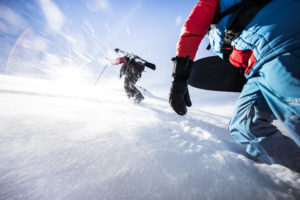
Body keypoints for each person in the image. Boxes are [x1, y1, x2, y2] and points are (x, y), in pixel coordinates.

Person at [169, 0, 300, 171]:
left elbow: (192, 29)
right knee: (244, 124)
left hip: (281, 46)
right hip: (259, 66)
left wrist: (179, 78)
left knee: (295, 109)